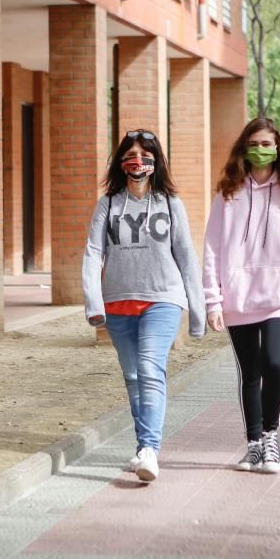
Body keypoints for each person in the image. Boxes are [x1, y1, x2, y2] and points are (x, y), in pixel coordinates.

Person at [82, 129, 206, 483]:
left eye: (145, 154)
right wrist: (93, 303)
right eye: (131, 154)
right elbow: (93, 253)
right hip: (118, 302)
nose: (138, 161)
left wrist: (196, 312)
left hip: (162, 299)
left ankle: (150, 449)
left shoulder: (170, 203)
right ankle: (142, 448)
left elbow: (186, 257)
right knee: (134, 376)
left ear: (156, 162)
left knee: (151, 370)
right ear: (121, 162)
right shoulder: (108, 204)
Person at [203, 117, 280, 474]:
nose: (261, 150)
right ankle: (253, 444)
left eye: (268, 144)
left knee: (274, 363)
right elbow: (212, 249)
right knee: (249, 372)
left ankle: (271, 436)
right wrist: (213, 299)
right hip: (238, 300)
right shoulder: (227, 193)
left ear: (278, 148)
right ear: (244, 147)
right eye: (255, 143)